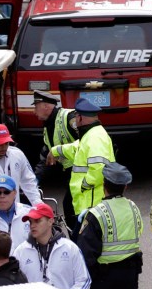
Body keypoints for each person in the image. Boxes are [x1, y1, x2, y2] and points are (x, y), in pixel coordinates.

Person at [77, 162, 143, 289]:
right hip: (130, 276)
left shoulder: (96, 213)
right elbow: (138, 231)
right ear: (125, 187)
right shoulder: (133, 207)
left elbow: (86, 253)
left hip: (104, 279)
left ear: (104, 185)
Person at [45, 97, 112, 236]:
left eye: (76, 116)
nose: (74, 120)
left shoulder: (94, 137)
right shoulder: (91, 135)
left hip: (91, 205)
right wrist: (56, 150)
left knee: (86, 249)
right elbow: (77, 148)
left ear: (80, 117)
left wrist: (84, 185)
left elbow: (99, 168)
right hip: (87, 204)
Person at [14, 201, 90, 289]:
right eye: (30, 221)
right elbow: (14, 285)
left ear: (50, 221)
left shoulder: (70, 248)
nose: (32, 225)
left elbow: (84, 280)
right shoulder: (20, 252)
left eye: (37, 221)